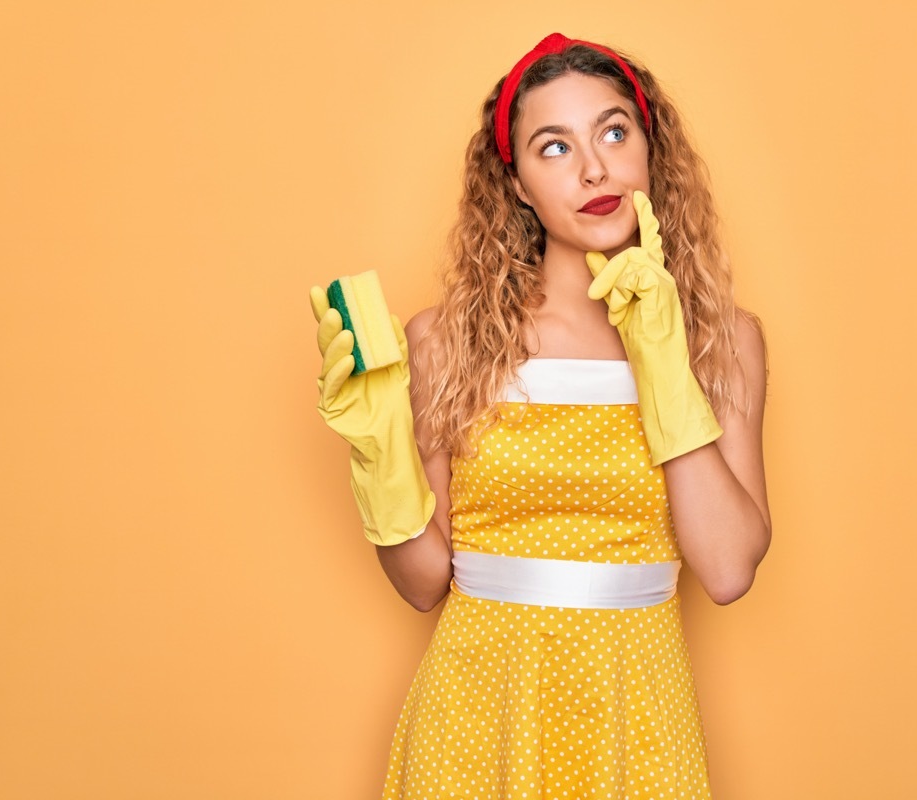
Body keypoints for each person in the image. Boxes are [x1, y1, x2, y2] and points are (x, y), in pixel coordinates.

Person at [310, 32, 771, 799]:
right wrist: (379, 456)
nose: (594, 168)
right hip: (476, 710)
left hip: (636, 712)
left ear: (649, 153)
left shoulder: (721, 342)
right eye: (553, 147)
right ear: (517, 184)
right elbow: (426, 584)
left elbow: (726, 571)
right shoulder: (447, 338)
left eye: (614, 132)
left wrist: (663, 366)